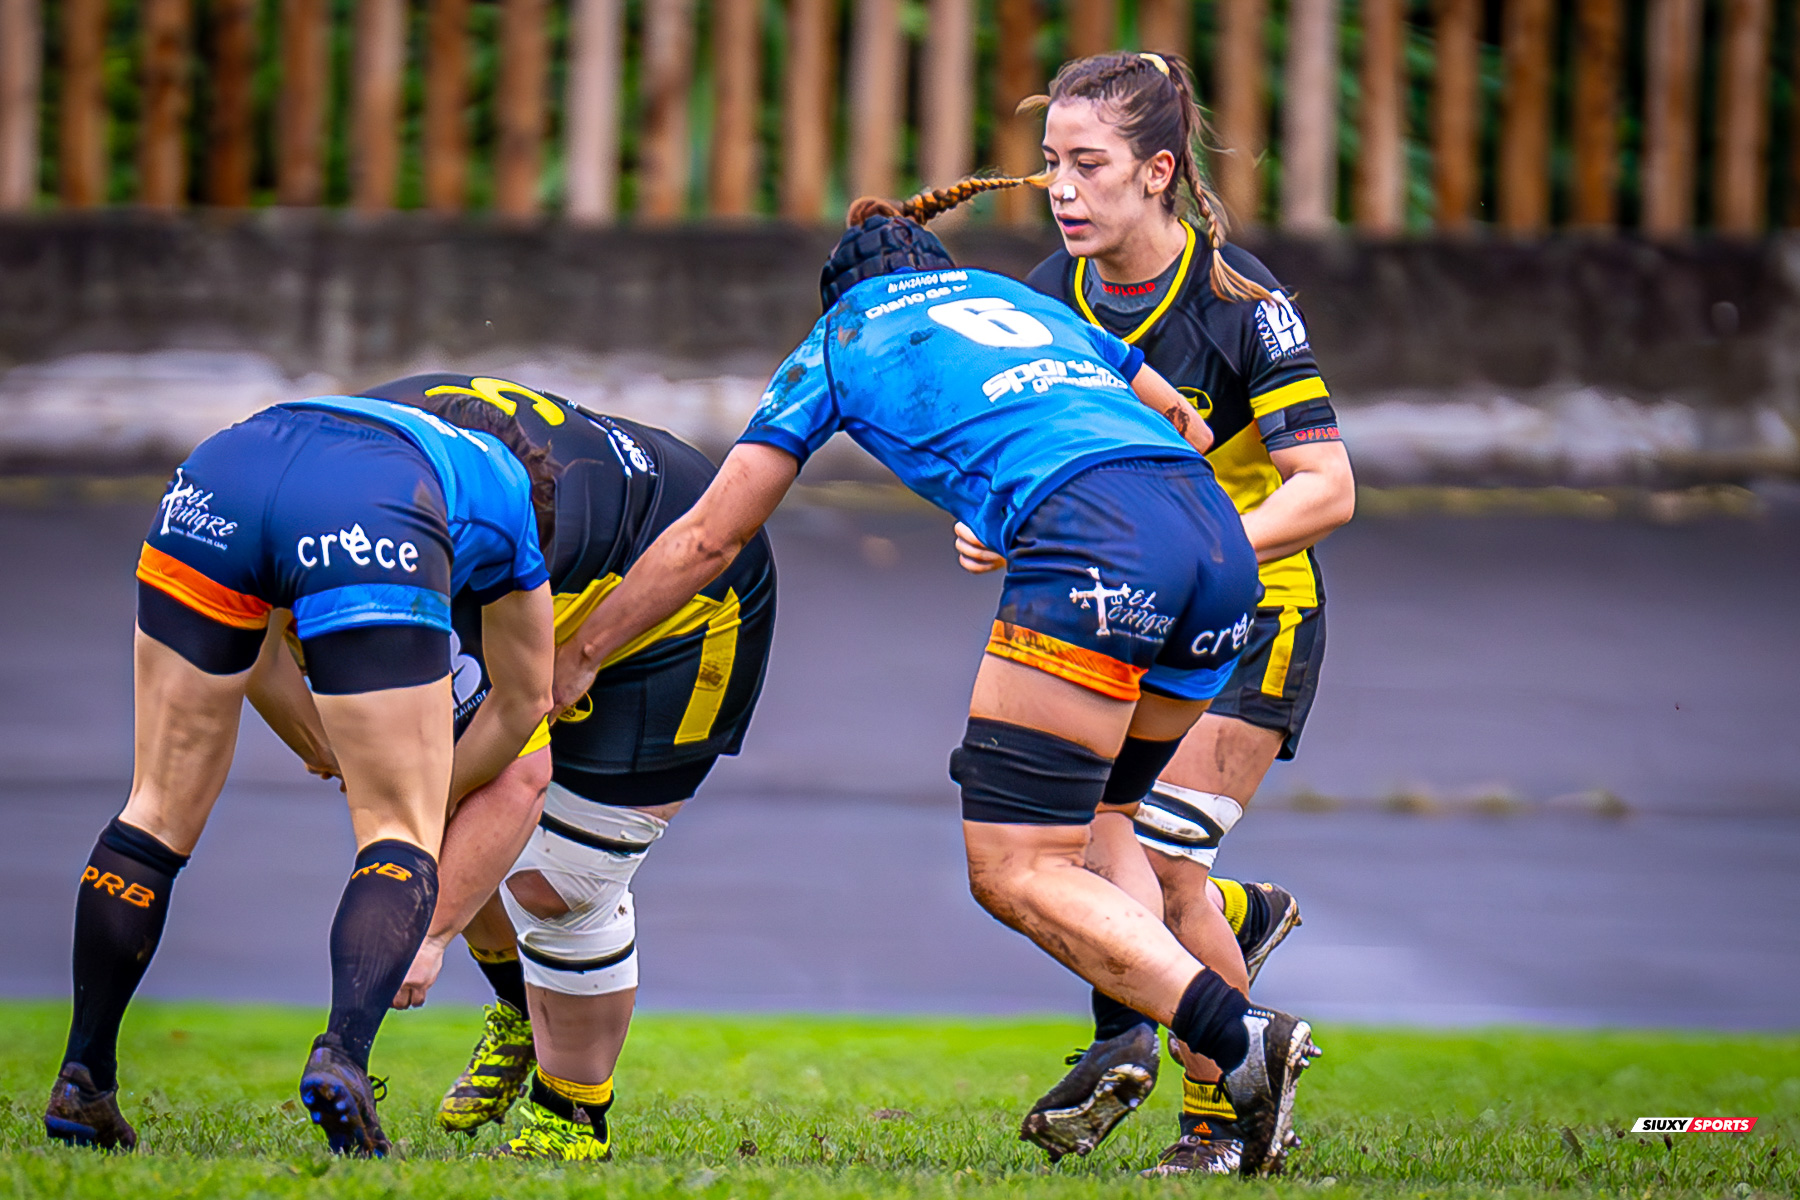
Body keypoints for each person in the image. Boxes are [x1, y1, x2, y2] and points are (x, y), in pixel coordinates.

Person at [545, 191, 1321, 1177]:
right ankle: (1190, 1079)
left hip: (1096, 544)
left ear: (844, 292)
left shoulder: (842, 335)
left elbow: (710, 534)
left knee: (1016, 867)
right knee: (1106, 826)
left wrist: (580, 654)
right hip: (1214, 541)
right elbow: (1183, 420)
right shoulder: (1017, 297)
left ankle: (1240, 1031)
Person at [956, 50, 1356, 1176]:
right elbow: (1039, 463)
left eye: (1089, 165)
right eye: (1050, 166)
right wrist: (999, 520)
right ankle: (1224, 945)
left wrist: (1192, 548)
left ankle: (1221, 1122)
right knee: (1096, 852)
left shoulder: (1244, 304)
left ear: (1159, 171)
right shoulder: (1046, 298)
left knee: (1158, 864)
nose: (1063, 189)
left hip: (1257, 615)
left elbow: (1328, 490)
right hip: (1129, 618)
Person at [43, 392, 556, 1157]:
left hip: (221, 470)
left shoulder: (380, 417)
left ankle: (84, 1076)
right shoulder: (511, 496)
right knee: (395, 833)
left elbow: (258, 643)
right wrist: (422, 794)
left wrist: (317, 741)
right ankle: (342, 1059)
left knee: (153, 812)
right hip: (374, 506)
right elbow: (524, 702)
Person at [357, 375, 778, 1163]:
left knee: (558, 884)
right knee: (451, 813)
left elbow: (526, 760)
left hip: (687, 614)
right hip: (555, 594)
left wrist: (427, 929)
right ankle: (524, 1008)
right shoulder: (361, 460)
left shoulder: (531, 524)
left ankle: (571, 1118)